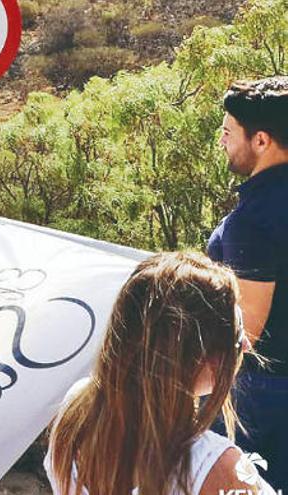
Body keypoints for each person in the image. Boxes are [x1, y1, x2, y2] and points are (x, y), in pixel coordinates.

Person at [45, 252, 273, 494]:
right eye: (236, 336)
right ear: (195, 359)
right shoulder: (215, 467)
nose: (247, 346)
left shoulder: (75, 410)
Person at [209, 76, 288, 488]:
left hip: (260, 397)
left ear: (260, 140)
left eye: (227, 132)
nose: (221, 141)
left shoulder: (252, 222)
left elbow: (246, 334)